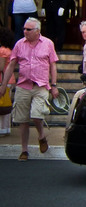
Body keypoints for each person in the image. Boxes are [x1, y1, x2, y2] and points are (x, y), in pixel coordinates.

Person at [0, 18, 58, 161]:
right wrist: (3, 85)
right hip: (23, 85)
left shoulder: (48, 43)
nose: (25, 31)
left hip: (41, 86)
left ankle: (41, 135)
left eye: (28, 29)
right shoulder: (19, 44)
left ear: (37, 31)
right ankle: (24, 150)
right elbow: (11, 65)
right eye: (24, 29)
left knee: (37, 115)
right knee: (22, 120)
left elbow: (53, 65)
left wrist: (54, 85)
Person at [0, 27, 14, 136]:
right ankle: (6, 128)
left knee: (2, 103)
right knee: (7, 103)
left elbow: (0, 67)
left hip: (3, 80)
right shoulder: (9, 50)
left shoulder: (2, 51)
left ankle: (2, 129)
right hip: (10, 79)